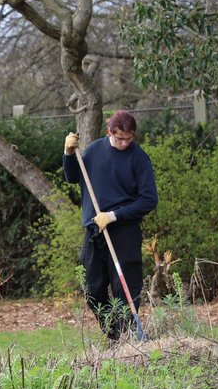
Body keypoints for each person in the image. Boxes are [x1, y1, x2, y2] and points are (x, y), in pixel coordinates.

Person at [63, 110, 158, 342]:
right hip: (94, 231)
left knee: (124, 290)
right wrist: (68, 154)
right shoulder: (95, 150)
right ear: (109, 133)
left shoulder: (139, 159)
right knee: (92, 288)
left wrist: (114, 215)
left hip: (124, 232)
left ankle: (126, 341)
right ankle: (115, 334)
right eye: (119, 138)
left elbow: (149, 200)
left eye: (129, 138)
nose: (124, 143)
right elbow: (73, 177)